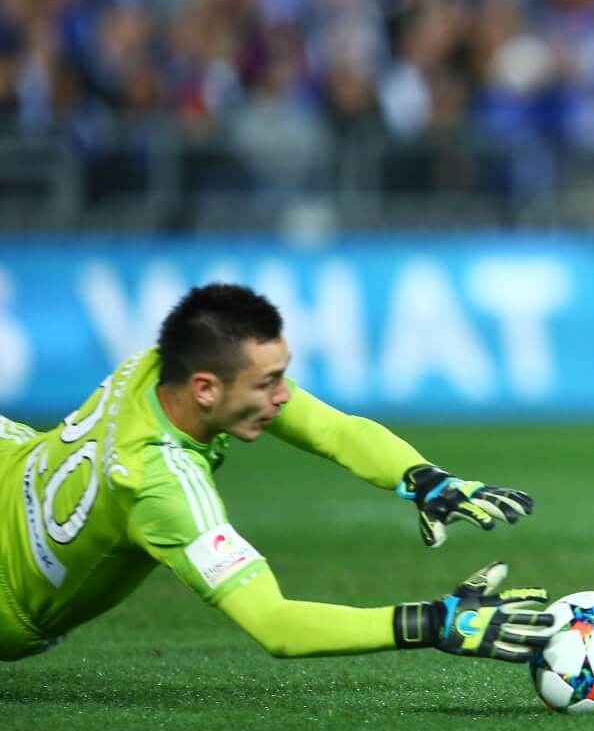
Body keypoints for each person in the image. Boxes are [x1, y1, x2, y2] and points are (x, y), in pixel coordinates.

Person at [0, 283, 550, 664]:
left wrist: (424, 478)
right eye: (268, 383)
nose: (283, 397)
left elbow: (333, 431)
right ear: (206, 390)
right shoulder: (161, 488)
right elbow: (277, 626)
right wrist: (433, 622)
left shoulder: (164, 365)